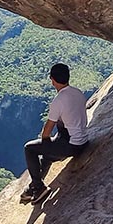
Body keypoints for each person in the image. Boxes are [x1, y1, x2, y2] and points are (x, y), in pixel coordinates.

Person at [21, 63, 89, 202]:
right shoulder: (78, 92)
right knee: (48, 154)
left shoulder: (58, 101)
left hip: (71, 145)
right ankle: (34, 186)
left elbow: (47, 131)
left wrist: (45, 143)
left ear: (52, 80)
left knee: (29, 148)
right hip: (83, 141)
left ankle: (39, 188)